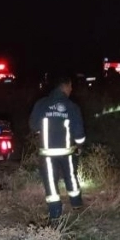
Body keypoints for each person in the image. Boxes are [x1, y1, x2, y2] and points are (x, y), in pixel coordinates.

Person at [29, 75, 86, 222]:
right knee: (71, 177)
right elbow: (79, 131)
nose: (71, 89)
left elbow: (33, 126)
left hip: (47, 153)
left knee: (50, 180)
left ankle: (55, 212)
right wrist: (80, 145)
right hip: (67, 152)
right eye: (70, 86)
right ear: (65, 87)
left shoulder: (41, 104)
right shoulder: (72, 107)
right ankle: (77, 204)